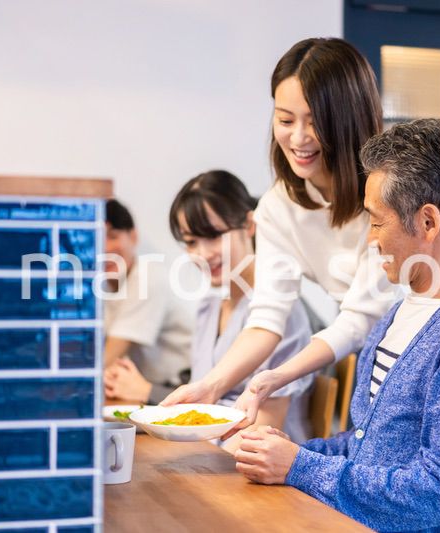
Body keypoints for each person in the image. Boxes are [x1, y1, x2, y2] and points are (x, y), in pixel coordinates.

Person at [234, 119, 440, 532]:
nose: (371, 239)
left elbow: (438, 495)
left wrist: (299, 466)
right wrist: (290, 452)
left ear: (427, 223)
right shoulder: (399, 312)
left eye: (376, 221)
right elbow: (365, 448)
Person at [162, 37, 394, 426]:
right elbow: (266, 318)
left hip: (435, 352)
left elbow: (359, 320)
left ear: (348, 120)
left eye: (315, 122)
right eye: (285, 120)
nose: (298, 138)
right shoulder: (279, 207)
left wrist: (275, 377)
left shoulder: (384, 194)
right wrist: (211, 386)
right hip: (378, 359)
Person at [106, 171, 314, 450]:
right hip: (207, 455)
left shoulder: (282, 312)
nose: (203, 254)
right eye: (191, 242)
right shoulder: (209, 306)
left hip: (259, 469)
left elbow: (265, 425)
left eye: (214, 235)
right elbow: (202, 407)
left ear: (249, 225)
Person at [102, 199, 193, 405]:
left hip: (180, 384)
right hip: (144, 387)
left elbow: (114, 349)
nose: (105, 248)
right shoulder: (104, 286)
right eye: (95, 239)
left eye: (113, 236)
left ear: (133, 237)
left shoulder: (148, 277)